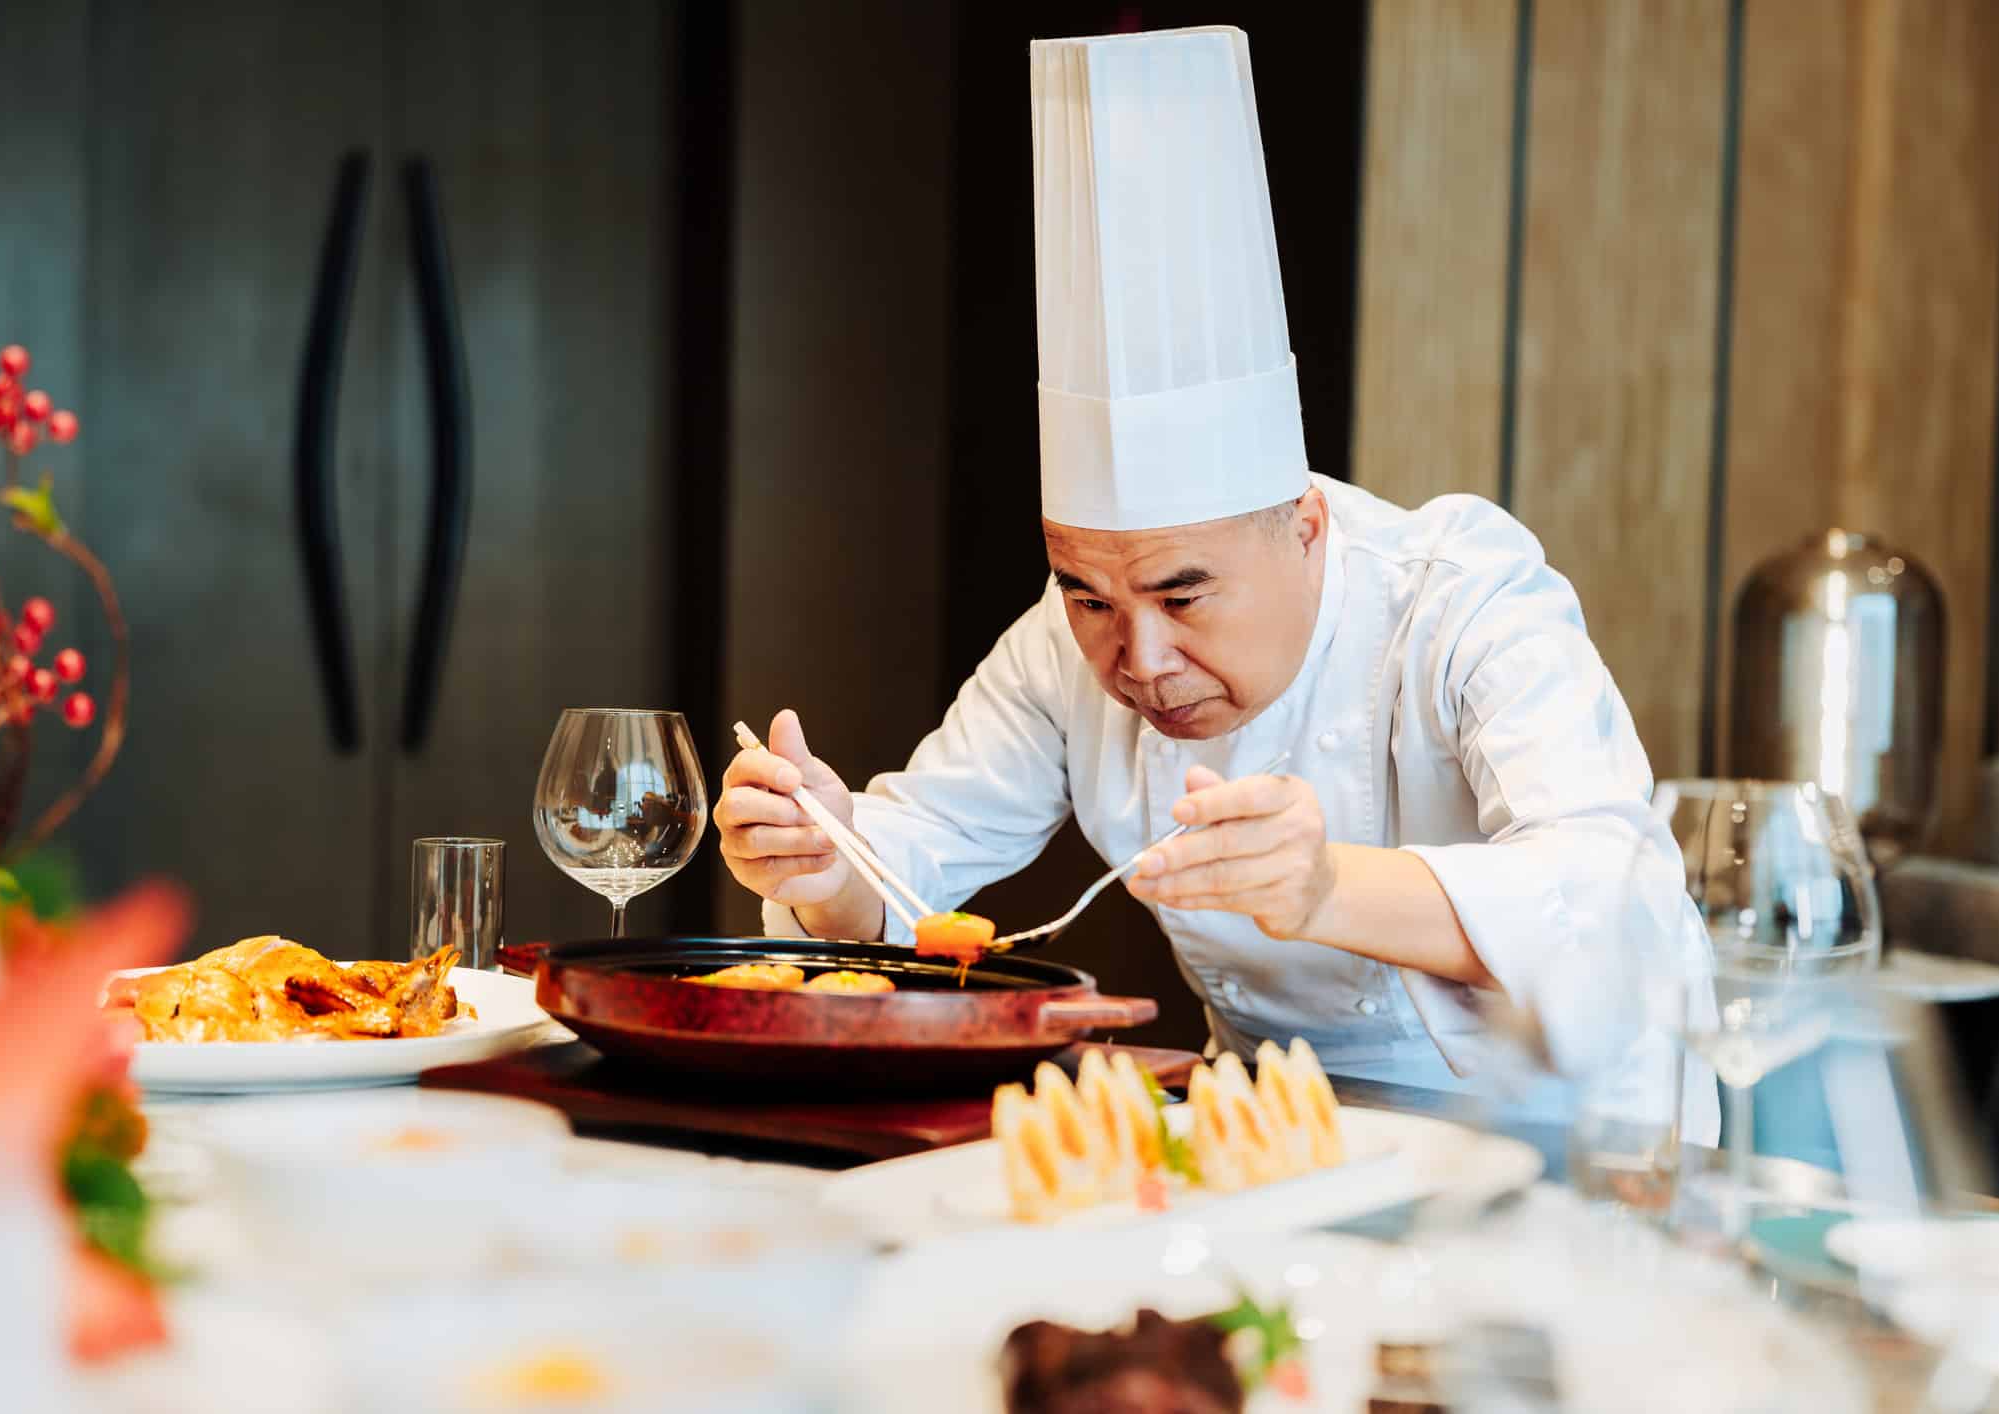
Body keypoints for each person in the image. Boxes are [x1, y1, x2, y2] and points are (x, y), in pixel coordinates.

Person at [715, 25, 1712, 1131]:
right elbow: (898, 884)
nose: (1135, 657)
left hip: (1578, 1150)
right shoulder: (1066, 642)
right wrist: (821, 852)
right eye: (1090, 591)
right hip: (1276, 1133)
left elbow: (1608, 904)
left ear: (1304, 527)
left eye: (1182, 595)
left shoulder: (1462, 595)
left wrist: (1326, 886)